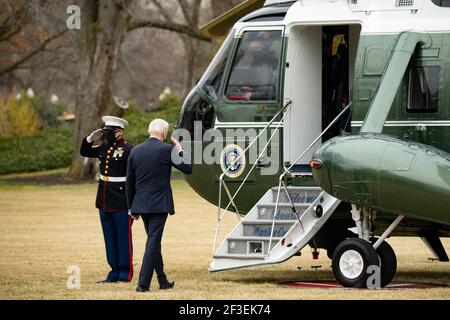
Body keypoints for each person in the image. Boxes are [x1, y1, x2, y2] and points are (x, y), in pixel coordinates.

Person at [126, 119, 192, 293]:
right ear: (164, 133)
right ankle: (143, 285)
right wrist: (179, 149)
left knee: (154, 242)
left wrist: (131, 207)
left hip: (140, 204)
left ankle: (162, 280)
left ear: (149, 131)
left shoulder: (135, 151)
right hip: (159, 205)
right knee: (153, 242)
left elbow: (129, 182)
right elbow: (188, 168)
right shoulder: (167, 149)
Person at [80, 116, 134, 283]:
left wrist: (133, 204)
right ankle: (114, 271)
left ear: (120, 132)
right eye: (105, 131)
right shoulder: (104, 147)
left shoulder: (128, 150)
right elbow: (85, 152)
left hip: (121, 200)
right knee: (109, 238)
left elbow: (134, 177)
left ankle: (125, 273)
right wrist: (89, 139)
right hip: (104, 199)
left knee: (123, 238)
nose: (107, 135)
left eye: (110, 132)